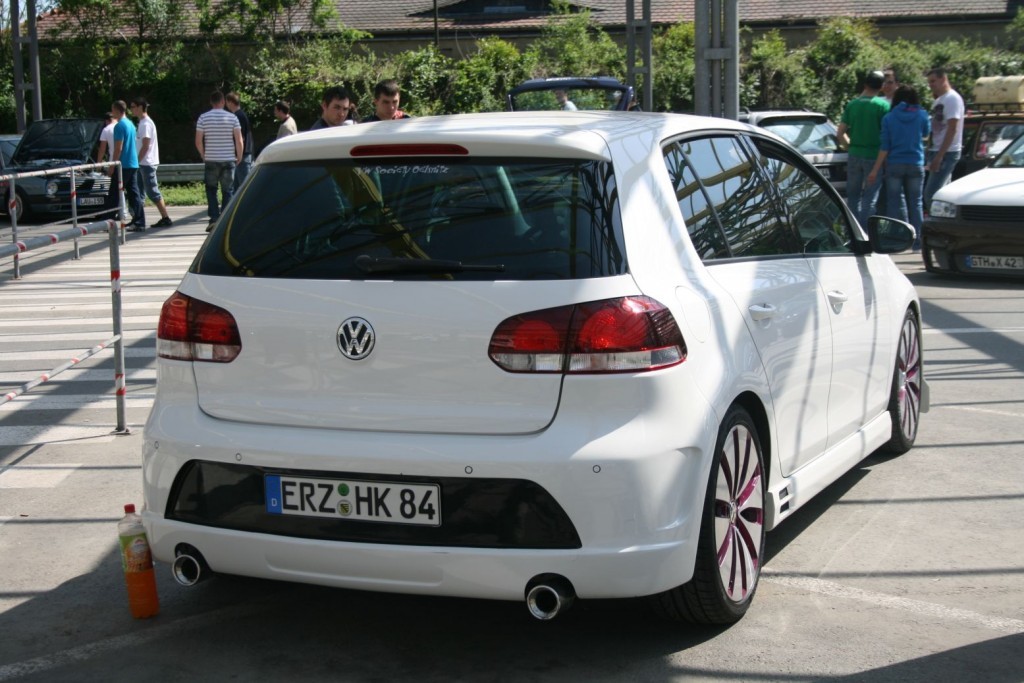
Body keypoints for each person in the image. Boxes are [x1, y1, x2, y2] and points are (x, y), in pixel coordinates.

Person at [867, 85, 931, 247]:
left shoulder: (889, 118)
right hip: (916, 162)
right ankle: (919, 241)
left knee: (893, 202)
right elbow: (926, 133)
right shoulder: (921, 114)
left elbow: (885, 146)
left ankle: (895, 240)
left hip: (895, 164)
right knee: (916, 202)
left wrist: (875, 169)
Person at [836, 70, 890, 226]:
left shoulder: (852, 105)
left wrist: (849, 146)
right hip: (874, 156)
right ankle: (866, 231)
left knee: (853, 197)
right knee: (870, 198)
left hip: (854, 154)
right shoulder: (883, 106)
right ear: (881, 87)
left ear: (865, 84)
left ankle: (853, 230)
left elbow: (840, 133)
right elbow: (887, 135)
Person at [195, 90, 243, 230]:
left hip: (211, 159)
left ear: (211, 102)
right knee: (228, 190)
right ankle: (225, 221)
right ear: (223, 102)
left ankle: (214, 219)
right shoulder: (233, 118)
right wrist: (239, 155)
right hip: (228, 159)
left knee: (211, 190)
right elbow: (239, 140)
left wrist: (203, 155)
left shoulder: (203, 117)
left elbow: (198, 141)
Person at [923, 67, 965, 213]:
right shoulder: (939, 100)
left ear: (943, 79)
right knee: (943, 195)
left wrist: (940, 156)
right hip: (937, 150)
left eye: (933, 81)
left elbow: (952, 128)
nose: (931, 85)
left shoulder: (952, 99)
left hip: (947, 152)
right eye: (929, 82)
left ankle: (937, 222)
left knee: (931, 194)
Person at [130, 97, 172, 228]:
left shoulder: (146, 124)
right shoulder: (142, 123)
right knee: (139, 193)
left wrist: (136, 161)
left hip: (146, 163)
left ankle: (165, 218)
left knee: (152, 192)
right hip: (143, 163)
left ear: (140, 107)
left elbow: (146, 145)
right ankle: (138, 220)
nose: (131, 109)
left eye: (133, 107)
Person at [106, 100, 145, 230]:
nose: (112, 112)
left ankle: (109, 222)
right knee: (134, 194)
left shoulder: (119, 126)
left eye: (112, 109)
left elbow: (118, 148)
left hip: (123, 164)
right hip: (133, 163)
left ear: (117, 110)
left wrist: (112, 166)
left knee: (113, 193)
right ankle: (139, 221)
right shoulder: (130, 124)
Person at [225, 92, 254, 191]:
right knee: (237, 189)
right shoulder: (241, 115)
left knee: (244, 188)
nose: (226, 105)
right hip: (243, 155)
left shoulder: (238, 116)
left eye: (227, 102)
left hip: (242, 156)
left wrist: (239, 156)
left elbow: (240, 138)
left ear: (230, 102)